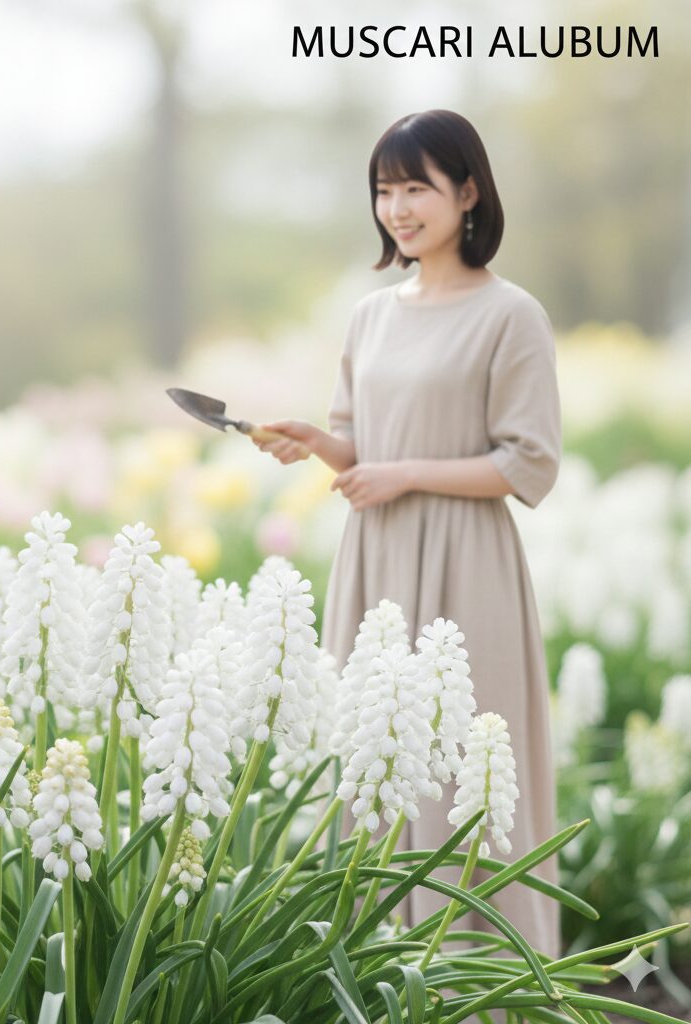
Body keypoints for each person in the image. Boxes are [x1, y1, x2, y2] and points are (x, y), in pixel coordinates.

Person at [253, 109, 562, 963]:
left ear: (468, 193)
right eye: (385, 190)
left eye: (416, 187)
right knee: (375, 759)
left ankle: (479, 986)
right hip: (378, 561)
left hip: (469, 568)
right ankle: (381, 977)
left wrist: (407, 473)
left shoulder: (512, 315)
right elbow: (364, 445)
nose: (398, 207)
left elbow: (529, 465)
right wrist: (317, 443)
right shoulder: (371, 315)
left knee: (466, 763)